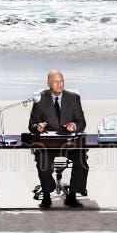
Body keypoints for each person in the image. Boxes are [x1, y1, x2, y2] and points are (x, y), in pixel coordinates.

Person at [28, 70, 89, 208]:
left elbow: (82, 123)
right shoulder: (40, 99)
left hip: (69, 143)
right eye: (55, 81)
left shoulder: (73, 98)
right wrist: (38, 127)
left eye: (61, 80)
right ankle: (47, 196)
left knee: (82, 160)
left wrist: (74, 126)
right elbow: (32, 125)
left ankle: (72, 195)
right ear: (48, 83)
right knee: (42, 161)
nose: (59, 84)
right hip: (48, 145)